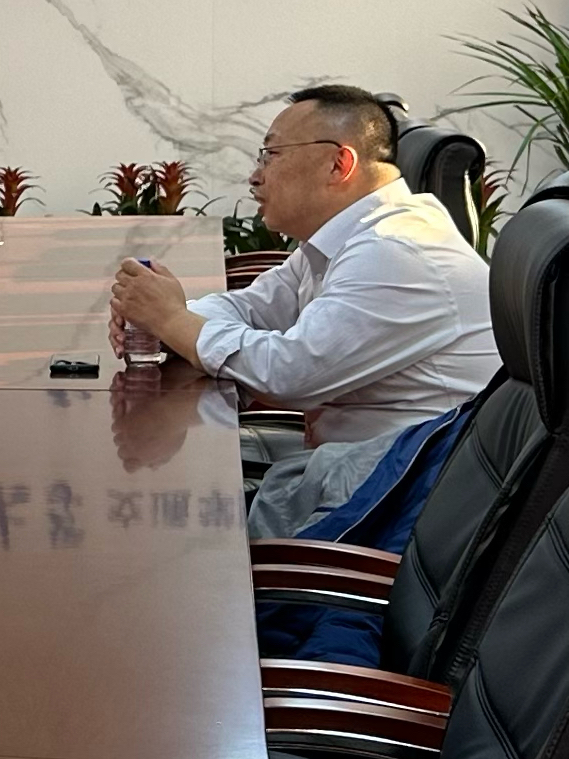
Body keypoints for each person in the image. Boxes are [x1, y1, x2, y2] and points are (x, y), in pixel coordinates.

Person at [108, 84, 498, 534]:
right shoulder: (351, 237)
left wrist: (174, 320)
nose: (255, 177)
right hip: (357, 474)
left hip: (398, 503)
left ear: (339, 164)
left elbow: (290, 375)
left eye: (270, 155)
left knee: (158, 529)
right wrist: (166, 320)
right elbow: (253, 307)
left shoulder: (395, 250)